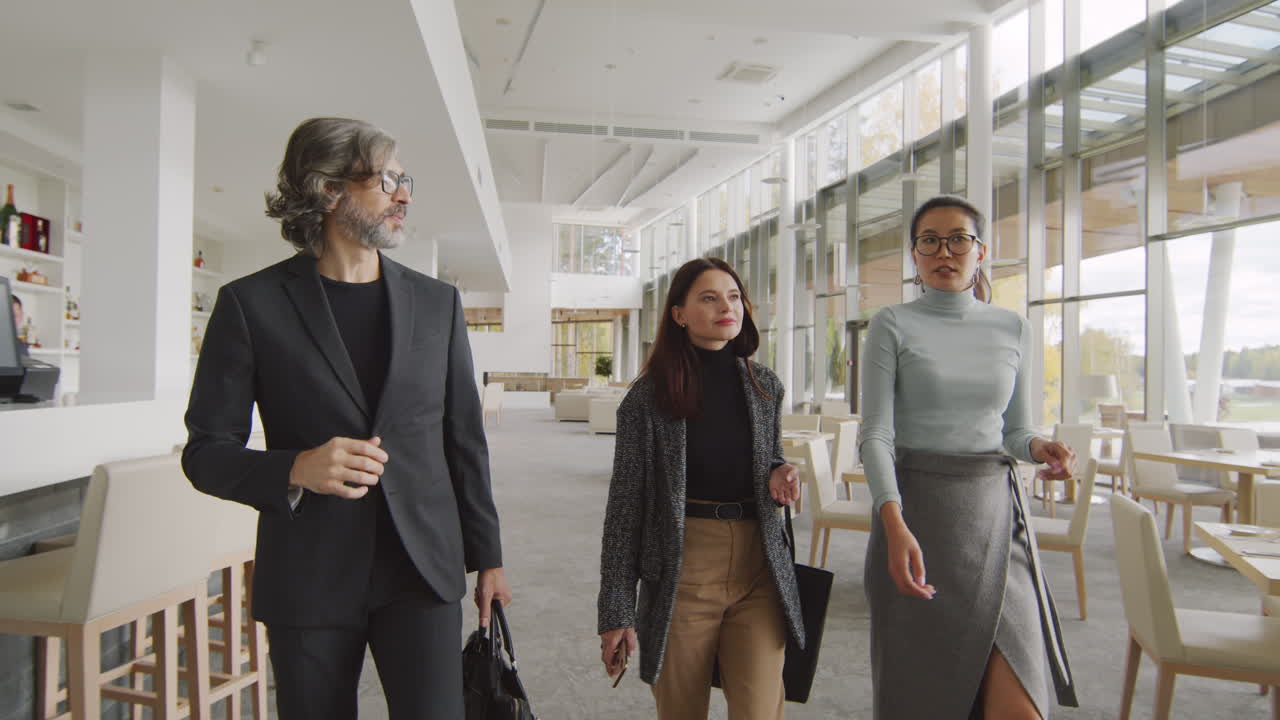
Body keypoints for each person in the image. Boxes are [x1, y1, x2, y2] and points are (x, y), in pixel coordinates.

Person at [182, 117, 511, 720]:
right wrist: (296, 468)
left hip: (422, 568)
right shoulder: (249, 305)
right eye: (386, 180)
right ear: (328, 188)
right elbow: (204, 452)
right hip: (309, 573)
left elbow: (463, 439)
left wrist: (487, 554)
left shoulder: (438, 304)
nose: (404, 194)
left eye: (402, 179)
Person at [859, 195, 1078, 720]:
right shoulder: (891, 324)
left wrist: (1038, 447)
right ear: (915, 255)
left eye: (959, 238)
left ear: (980, 251)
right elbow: (876, 436)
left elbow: (1016, 430)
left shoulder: (1013, 328)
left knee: (1020, 707)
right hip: (917, 515)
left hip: (997, 519)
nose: (945, 251)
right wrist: (894, 523)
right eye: (929, 240)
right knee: (923, 695)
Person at [598, 257, 805, 720]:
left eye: (732, 297)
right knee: (681, 710)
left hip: (758, 565)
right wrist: (616, 611)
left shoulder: (764, 385)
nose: (725, 307)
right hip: (683, 565)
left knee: (760, 710)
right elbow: (624, 510)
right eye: (708, 298)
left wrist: (778, 471)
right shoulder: (648, 398)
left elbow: (768, 456)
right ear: (679, 313)